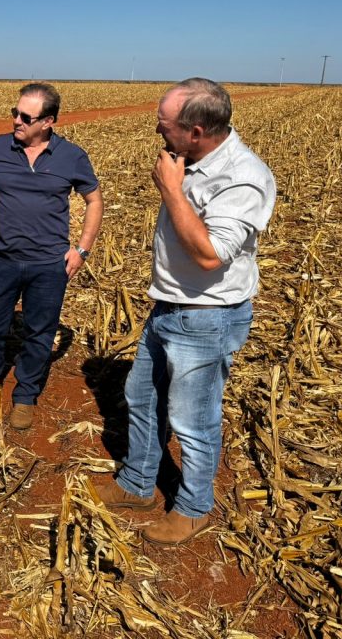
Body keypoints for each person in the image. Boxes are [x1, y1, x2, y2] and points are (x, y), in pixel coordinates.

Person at [96, 78, 276, 545]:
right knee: (142, 396)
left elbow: (211, 255)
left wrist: (171, 191)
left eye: (164, 125)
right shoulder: (191, 160)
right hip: (169, 307)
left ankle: (194, 507)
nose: (158, 132)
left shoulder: (243, 176)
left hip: (206, 316)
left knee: (192, 419)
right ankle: (138, 483)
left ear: (196, 131)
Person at [0, 82, 103, 430]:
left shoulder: (72, 156)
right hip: (1, 260)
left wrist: (81, 250)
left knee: (39, 332)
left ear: (48, 121)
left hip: (49, 265)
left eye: (25, 116)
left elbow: (95, 201)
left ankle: (24, 396)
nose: (16, 120)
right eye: (14, 113)